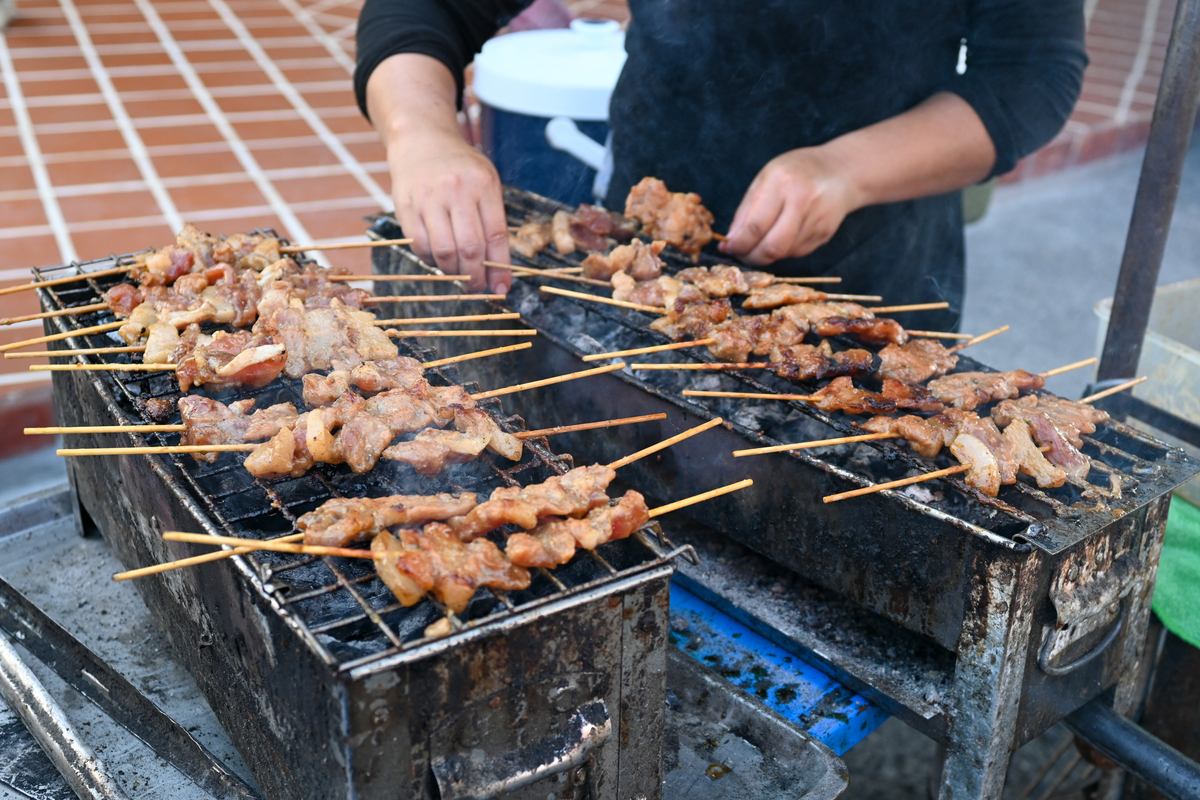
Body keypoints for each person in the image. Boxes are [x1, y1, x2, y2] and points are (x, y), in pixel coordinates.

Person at [354, 1, 1087, 331]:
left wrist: (846, 169)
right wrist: (421, 136)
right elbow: (428, 7)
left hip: (871, 280)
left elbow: (1031, 75)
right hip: (640, 265)